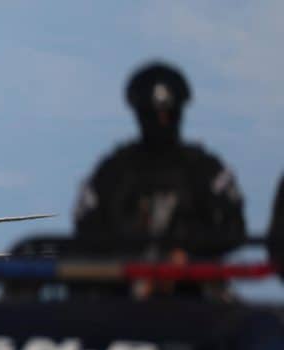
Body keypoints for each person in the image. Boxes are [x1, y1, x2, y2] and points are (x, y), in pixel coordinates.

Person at [74, 61, 246, 257]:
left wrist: (188, 253)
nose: (161, 120)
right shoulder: (112, 172)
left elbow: (233, 228)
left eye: (169, 113)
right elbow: (87, 230)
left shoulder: (206, 170)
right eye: (152, 114)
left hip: (193, 286)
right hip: (122, 284)